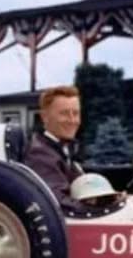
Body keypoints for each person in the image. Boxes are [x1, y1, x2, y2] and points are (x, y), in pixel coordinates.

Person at [23, 85, 87, 213]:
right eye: (64, 113)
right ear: (44, 117)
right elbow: (57, 201)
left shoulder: (64, 150)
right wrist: (96, 206)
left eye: (76, 113)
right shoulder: (40, 154)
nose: (72, 120)